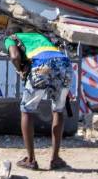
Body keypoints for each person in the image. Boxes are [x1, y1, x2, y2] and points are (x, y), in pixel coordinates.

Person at [6, 31, 71, 171]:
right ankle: (55, 159)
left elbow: (15, 57)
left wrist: (20, 70)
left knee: (27, 110)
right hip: (64, 64)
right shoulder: (40, 36)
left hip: (42, 65)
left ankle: (31, 160)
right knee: (58, 110)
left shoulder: (11, 38)